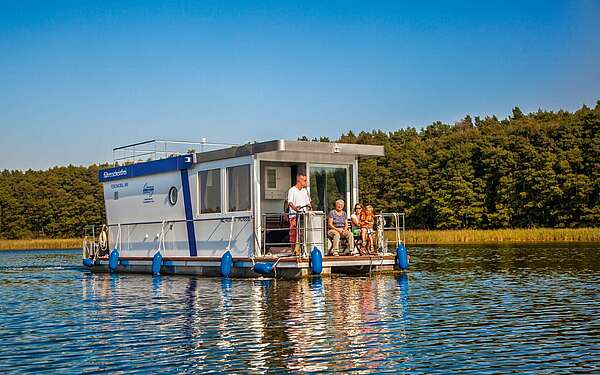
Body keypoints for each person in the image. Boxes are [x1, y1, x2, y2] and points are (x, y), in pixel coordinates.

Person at [287, 173, 312, 255]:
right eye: (304, 180)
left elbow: (308, 202)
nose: (306, 182)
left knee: (303, 232)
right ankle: (293, 250)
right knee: (293, 232)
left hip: (303, 216)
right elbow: (289, 202)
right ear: (299, 180)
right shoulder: (292, 190)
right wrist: (295, 208)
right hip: (294, 215)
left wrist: (309, 207)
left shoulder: (305, 191)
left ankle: (303, 250)